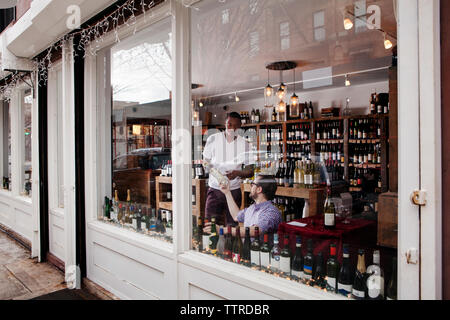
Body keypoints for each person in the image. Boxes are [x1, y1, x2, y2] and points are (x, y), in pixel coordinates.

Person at [202, 112, 255, 227]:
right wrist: (217, 175)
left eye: (236, 126)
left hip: (234, 191)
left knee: (233, 226)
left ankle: (230, 245)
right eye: (229, 125)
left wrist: (238, 173)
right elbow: (205, 163)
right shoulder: (213, 139)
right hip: (215, 190)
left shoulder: (245, 144)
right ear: (225, 123)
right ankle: (211, 245)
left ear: (240, 127)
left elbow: (250, 171)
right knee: (209, 226)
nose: (232, 128)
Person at [204, 175, 282, 238]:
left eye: (252, 184)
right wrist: (227, 192)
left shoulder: (271, 211)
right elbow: (236, 216)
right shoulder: (252, 208)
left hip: (262, 254)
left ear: (259, 189)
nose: (250, 186)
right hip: (247, 252)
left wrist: (222, 230)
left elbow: (255, 230)